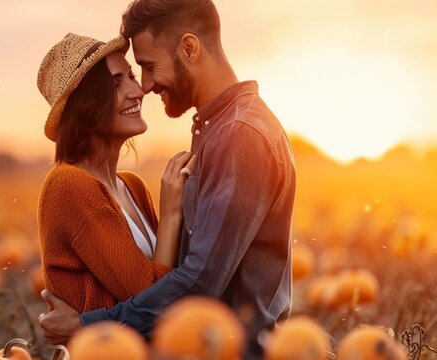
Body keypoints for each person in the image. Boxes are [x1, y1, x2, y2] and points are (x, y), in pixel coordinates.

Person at [38, 0, 297, 357]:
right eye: (126, 78)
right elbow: (174, 281)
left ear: (189, 48)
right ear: (88, 106)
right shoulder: (219, 132)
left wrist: (87, 325)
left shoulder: (238, 134)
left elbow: (197, 284)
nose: (143, 86)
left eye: (145, 67)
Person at [36, 33, 196, 315]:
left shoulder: (133, 187)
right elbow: (150, 299)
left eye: (131, 77)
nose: (137, 91)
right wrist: (171, 214)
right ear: (86, 104)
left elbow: (170, 280)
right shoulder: (69, 185)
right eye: (116, 83)